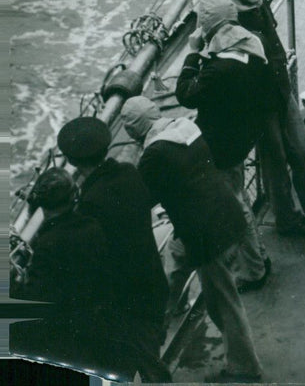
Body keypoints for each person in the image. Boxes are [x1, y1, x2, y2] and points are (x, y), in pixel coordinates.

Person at [121, 95, 263, 384]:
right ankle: (165, 320)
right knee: (177, 273)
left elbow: (141, 197)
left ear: (134, 130)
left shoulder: (152, 155)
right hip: (223, 217)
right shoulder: (188, 127)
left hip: (206, 235)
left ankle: (244, 368)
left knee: (224, 304)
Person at [227, 0, 305, 239]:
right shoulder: (229, 17)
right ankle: (286, 219)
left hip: (280, 91)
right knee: (274, 162)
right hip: (258, 104)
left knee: (302, 153)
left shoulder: (257, 3)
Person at [175, 0, 274, 293]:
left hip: (222, 147)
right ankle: (257, 255)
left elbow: (185, 94)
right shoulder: (253, 46)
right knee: (238, 197)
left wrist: (193, 53)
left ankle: (255, 269)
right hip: (243, 136)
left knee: (235, 204)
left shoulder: (219, 69)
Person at [56, 115, 170, 380]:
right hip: (154, 280)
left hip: (129, 300)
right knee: (149, 352)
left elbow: (97, 256)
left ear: (72, 161)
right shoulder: (129, 173)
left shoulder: (90, 203)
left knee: (147, 364)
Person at [10, 167, 121, 376]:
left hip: (64, 329)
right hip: (94, 314)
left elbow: (36, 300)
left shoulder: (49, 245)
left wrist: (13, 284)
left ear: (40, 203)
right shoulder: (92, 226)